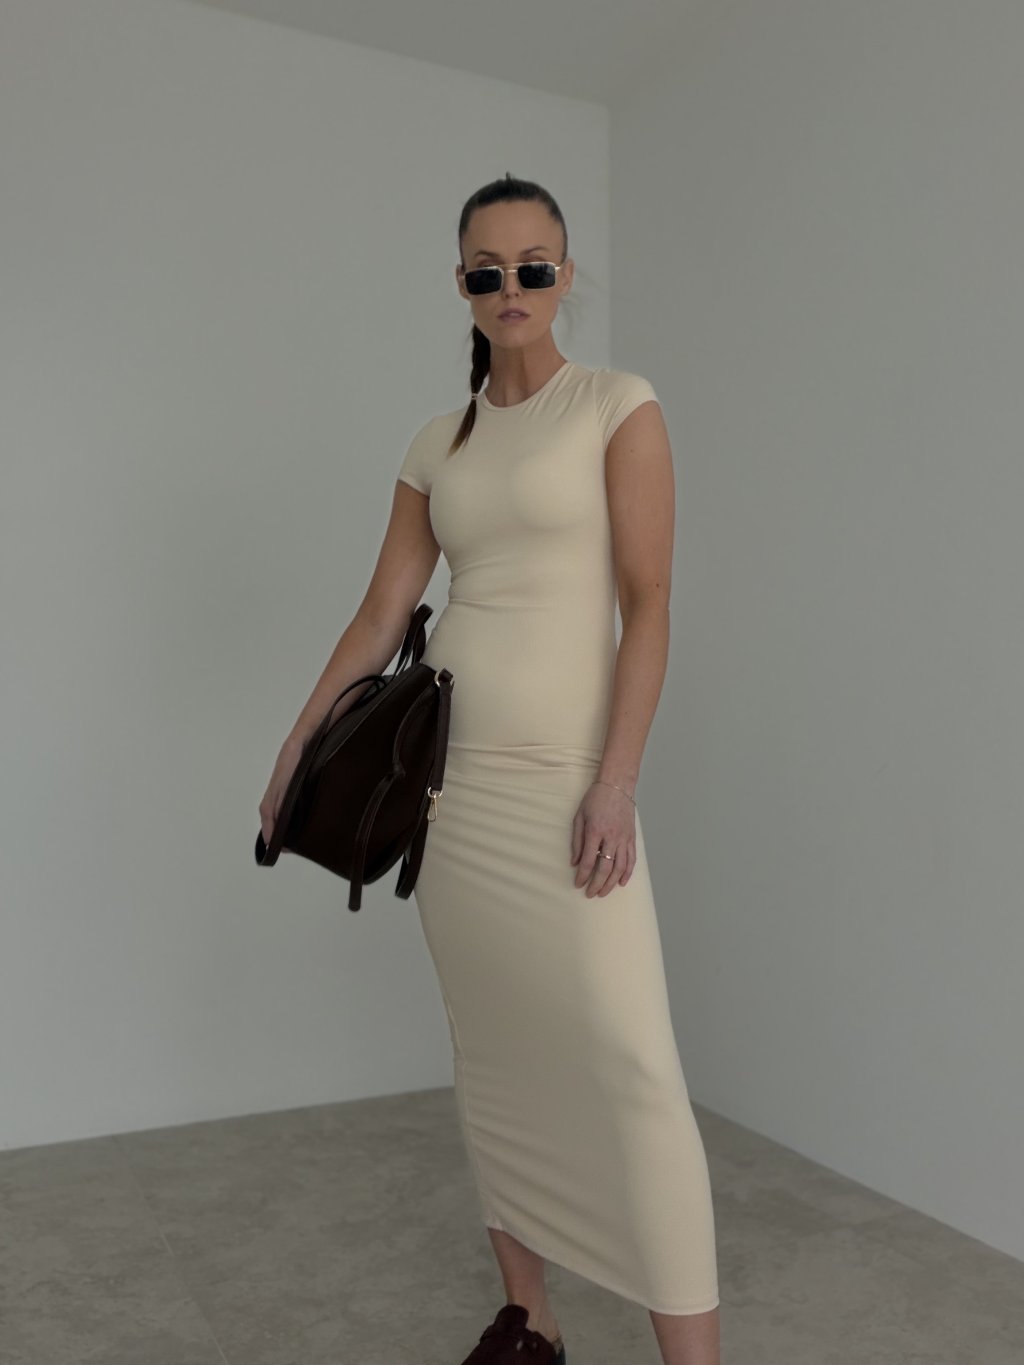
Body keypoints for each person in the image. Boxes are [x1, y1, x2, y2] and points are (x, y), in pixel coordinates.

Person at [259, 174, 721, 1365]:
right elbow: (381, 615)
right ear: (459, 283)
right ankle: (531, 1321)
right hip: (451, 792)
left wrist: (615, 783)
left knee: (630, 1064)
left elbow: (649, 602)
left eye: (532, 266)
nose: (509, 286)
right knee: (496, 1055)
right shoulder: (439, 441)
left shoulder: (616, 405)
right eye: (485, 269)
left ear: (565, 275)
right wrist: (299, 743)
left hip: (567, 781)